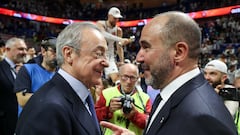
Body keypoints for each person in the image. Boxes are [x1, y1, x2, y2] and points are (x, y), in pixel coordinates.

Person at [100, 11, 238, 135]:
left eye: (146, 47)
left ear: (179, 52)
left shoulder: (204, 118)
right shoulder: (171, 95)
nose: (138, 57)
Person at [15, 22, 109, 135]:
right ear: (69, 54)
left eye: (105, 54)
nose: (106, 63)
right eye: (98, 53)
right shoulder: (49, 108)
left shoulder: (83, 94)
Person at [95, 63, 152, 135]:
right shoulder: (106, 93)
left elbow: (149, 124)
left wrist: (134, 115)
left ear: (137, 79)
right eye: (125, 77)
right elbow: (95, 117)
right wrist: (108, 109)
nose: (128, 81)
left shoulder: (145, 98)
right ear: (119, 76)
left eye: (132, 78)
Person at [14, 37, 57, 115]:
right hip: (30, 123)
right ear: (43, 51)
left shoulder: (62, 73)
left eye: (60, 53)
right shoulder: (27, 69)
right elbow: (22, 100)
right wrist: (53, 96)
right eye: (54, 51)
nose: (57, 55)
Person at [96, 7, 133, 84]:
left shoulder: (118, 30)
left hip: (110, 57)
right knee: (97, 81)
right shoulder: (100, 24)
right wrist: (120, 39)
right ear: (109, 16)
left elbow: (119, 47)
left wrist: (122, 61)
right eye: (114, 18)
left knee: (116, 80)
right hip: (97, 55)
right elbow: (103, 34)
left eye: (118, 18)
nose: (116, 20)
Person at [0, 37, 27, 135]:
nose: (24, 52)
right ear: (7, 49)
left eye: (25, 49)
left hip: (24, 125)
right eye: (20, 49)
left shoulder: (27, 70)